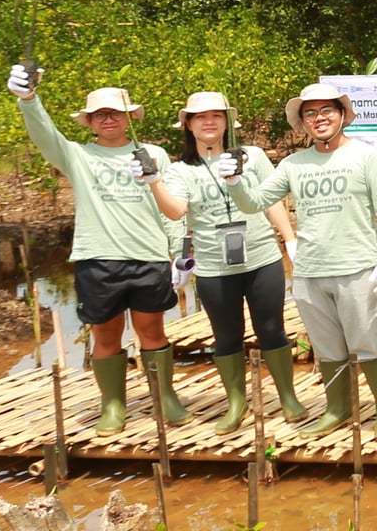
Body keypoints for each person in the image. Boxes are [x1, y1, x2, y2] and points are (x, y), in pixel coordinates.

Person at [6, 66, 190, 435]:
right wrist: (28, 100)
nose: (108, 119)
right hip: (98, 258)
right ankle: (113, 404)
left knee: (152, 332)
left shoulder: (153, 153)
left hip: (148, 257)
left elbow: (171, 207)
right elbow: (45, 135)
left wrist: (180, 253)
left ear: (129, 118)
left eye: (115, 113)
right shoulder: (77, 156)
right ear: (89, 121)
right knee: (105, 336)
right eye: (100, 114)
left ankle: (165, 396)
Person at [218, 83, 377, 441]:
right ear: (303, 122)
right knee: (327, 346)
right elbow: (254, 202)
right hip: (310, 271)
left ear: (343, 115)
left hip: (358, 267)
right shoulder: (293, 164)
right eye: (310, 113)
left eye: (326, 111)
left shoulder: (367, 157)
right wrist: (235, 181)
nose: (319, 119)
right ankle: (338, 408)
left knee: (367, 341)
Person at [131, 91, 306, 434]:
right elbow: (176, 212)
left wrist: (289, 238)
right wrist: (154, 183)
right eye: (199, 117)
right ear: (188, 125)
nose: (208, 121)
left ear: (228, 121)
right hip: (214, 266)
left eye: (216, 115)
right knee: (226, 336)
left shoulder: (251, 156)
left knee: (271, 329)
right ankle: (236, 402)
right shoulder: (181, 170)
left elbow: (271, 200)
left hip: (261, 258)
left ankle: (288, 396)